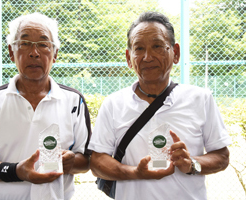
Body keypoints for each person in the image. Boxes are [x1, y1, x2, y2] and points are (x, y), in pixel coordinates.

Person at [88, 11, 231, 200]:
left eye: (157, 46)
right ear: (128, 58)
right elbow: (97, 162)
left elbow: (222, 156)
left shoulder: (200, 99)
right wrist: (135, 172)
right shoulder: (113, 104)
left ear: (176, 53)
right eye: (139, 49)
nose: (147, 57)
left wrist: (192, 164)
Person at [0, 13, 92, 200]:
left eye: (43, 44)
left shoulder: (74, 101)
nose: (34, 52)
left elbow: (87, 159)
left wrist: (70, 162)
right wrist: (17, 171)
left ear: (55, 53)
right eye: (25, 44)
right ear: (11, 52)